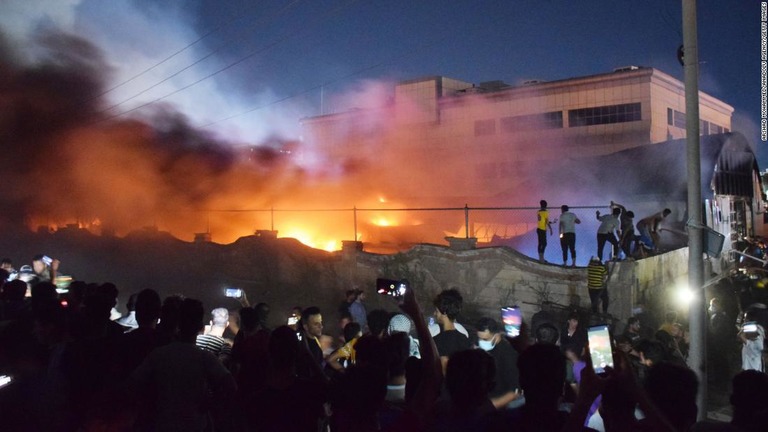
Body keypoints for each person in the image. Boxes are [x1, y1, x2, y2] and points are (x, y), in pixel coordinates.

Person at [475, 317, 520, 401]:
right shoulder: (480, 347)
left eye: (485, 339)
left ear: (497, 335)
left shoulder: (508, 355)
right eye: (479, 338)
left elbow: (515, 390)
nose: (480, 341)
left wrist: (493, 405)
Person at [432, 288, 471, 373]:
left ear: (444, 313)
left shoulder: (438, 340)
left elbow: (443, 368)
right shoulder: (464, 339)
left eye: (437, 311)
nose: (435, 314)